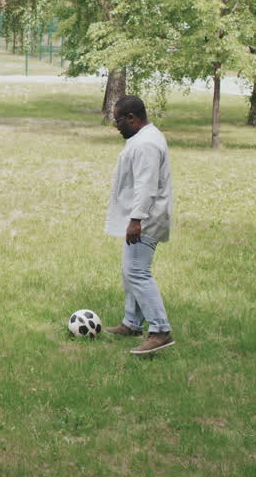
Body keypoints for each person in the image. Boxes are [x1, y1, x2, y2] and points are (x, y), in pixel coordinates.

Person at [104, 95, 175, 354]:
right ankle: (132, 323)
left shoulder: (146, 144)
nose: (117, 127)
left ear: (132, 118)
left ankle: (160, 330)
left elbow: (146, 186)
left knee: (137, 272)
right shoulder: (144, 138)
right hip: (141, 217)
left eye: (118, 121)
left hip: (145, 219)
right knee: (130, 271)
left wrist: (136, 219)